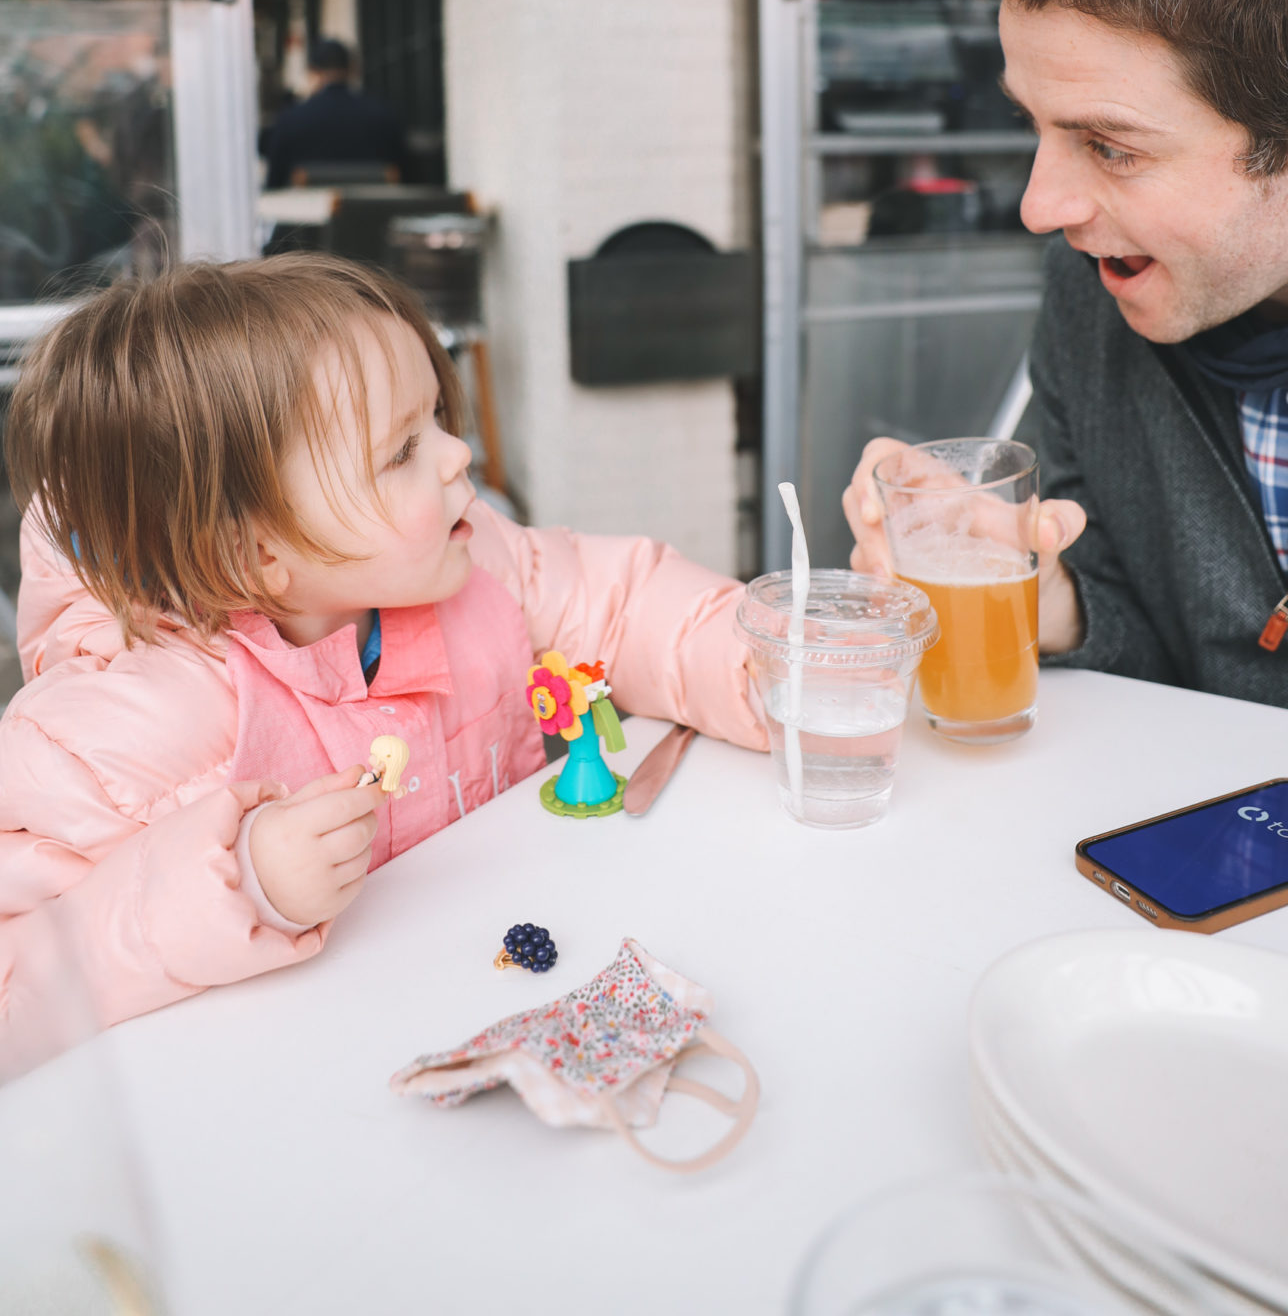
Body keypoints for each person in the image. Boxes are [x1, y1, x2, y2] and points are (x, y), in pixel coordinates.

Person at [0, 255, 765, 1072]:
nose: (456, 453)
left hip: (483, 1022)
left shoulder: (473, 569)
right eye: (401, 450)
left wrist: (779, 668)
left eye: (436, 416)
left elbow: (623, 606)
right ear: (257, 553)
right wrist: (239, 884)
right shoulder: (122, 733)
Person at [845, 0, 1288, 724]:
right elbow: (1142, 627)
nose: (1043, 206)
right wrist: (1056, 603)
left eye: (1110, 146)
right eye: (1031, 125)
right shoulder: (1094, 292)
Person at [263, 37, 407, 189]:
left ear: (313, 71)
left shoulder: (291, 120)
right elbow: (407, 175)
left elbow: (274, 183)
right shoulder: (383, 116)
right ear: (352, 69)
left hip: (308, 210)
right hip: (377, 211)